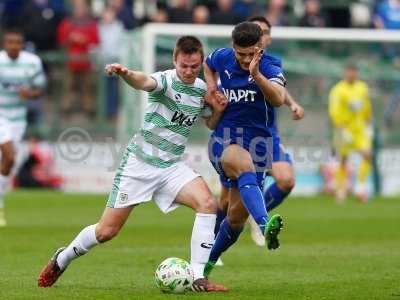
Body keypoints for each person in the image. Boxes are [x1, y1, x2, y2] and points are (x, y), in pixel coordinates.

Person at [37, 36, 228, 292]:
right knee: (106, 231)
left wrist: (217, 110)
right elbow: (143, 81)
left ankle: (197, 278)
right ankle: (63, 258)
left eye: (194, 66)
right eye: (184, 65)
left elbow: (211, 123)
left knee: (207, 204)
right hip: (139, 166)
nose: (189, 71)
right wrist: (125, 73)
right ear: (175, 60)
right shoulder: (166, 80)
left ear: (200, 63)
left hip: (171, 167)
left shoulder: (201, 89)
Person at [202, 22, 287, 276]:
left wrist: (257, 75)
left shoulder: (270, 65)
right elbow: (208, 64)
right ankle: (263, 224)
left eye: (252, 53)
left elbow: (279, 99)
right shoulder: (223, 57)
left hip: (259, 145)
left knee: (236, 218)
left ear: (260, 48)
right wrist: (211, 87)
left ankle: (205, 265)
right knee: (243, 164)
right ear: (233, 48)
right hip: (225, 139)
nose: (245, 59)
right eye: (241, 54)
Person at [214, 16, 304, 249]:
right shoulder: (227, 62)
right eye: (258, 31)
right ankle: (210, 242)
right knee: (226, 201)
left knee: (286, 179)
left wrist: (292, 103)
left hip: (266, 136)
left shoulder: (270, 65)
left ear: (266, 39)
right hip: (232, 137)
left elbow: (278, 91)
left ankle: (260, 216)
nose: (261, 36)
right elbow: (211, 66)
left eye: (264, 32)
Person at [0, 28, 46, 227]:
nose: (13, 47)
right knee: (9, 156)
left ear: (22, 44)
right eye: (10, 43)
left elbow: (40, 88)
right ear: (4, 44)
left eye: (17, 43)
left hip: (18, 118)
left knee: (9, 164)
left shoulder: (32, 62)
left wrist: (31, 94)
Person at [328, 63, 373, 203]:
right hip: (343, 129)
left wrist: (369, 123)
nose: (352, 74)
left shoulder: (362, 87)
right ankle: (340, 191)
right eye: (349, 72)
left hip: (359, 129)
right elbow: (333, 111)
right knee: (343, 160)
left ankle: (360, 189)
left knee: (367, 155)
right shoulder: (338, 90)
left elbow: (366, 106)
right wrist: (341, 127)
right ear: (345, 73)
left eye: (354, 72)